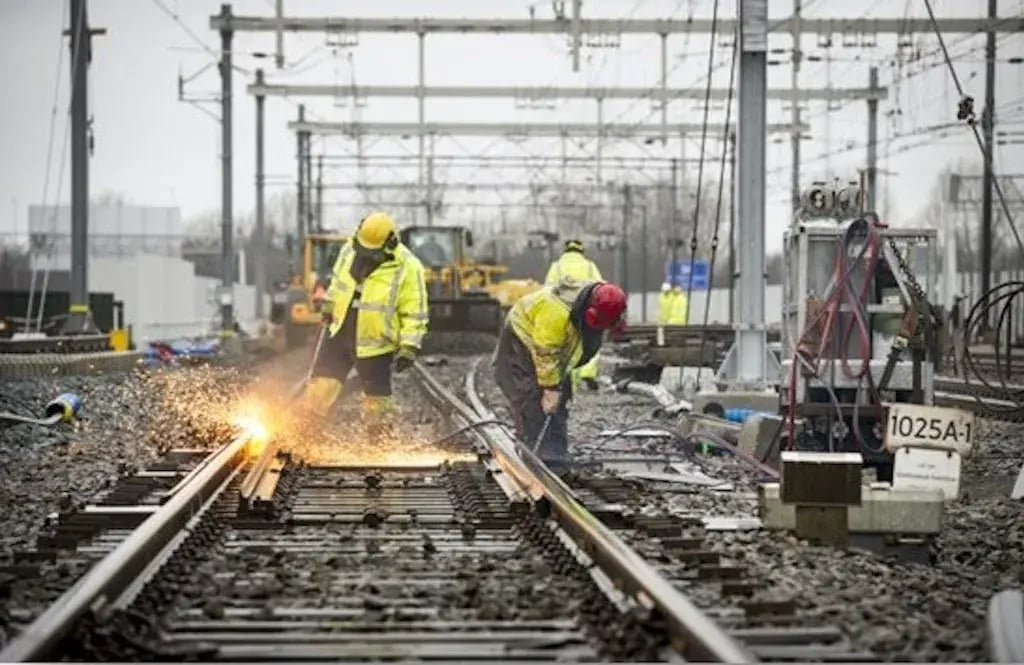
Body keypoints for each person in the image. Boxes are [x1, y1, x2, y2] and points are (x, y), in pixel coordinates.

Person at [303, 211, 429, 434]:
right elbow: (338, 282)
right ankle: (306, 434)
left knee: (377, 398)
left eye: (372, 253)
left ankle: (380, 440)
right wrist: (329, 304)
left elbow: (414, 311)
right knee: (321, 384)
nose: (366, 256)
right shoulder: (350, 248)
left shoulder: (409, 267)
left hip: (375, 342)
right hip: (339, 329)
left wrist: (409, 346)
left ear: (390, 244)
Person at [493, 278, 627, 472]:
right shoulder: (555, 312)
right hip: (522, 339)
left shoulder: (599, 302)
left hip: (554, 349)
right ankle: (536, 454)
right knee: (531, 396)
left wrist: (557, 390)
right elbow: (547, 352)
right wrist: (549, 389)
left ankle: (556, 453)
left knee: (560, 399)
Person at [544, 239, 603, 390]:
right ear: (581, 251)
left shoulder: (557, 266)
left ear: (565, 251)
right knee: (589, 341)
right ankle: (587, 372)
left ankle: (568, 377)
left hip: (562, 309)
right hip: (585, 309)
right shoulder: (589, 266)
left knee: (565, 344)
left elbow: (548, 289)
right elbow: (600, 287)